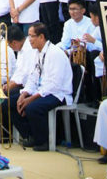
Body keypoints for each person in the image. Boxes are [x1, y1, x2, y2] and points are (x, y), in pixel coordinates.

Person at [11, 22, 72, 151]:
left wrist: (31, 98)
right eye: (28, 36)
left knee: (33, 107)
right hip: (42, 90)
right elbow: (33, 77)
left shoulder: (55, 53)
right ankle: (30, 135)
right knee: (10, 103)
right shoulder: (37, 53)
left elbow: (54, 84)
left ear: (41, 37)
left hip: (58, 93)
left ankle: (43, 141)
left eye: (32, 36)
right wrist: (24, 94)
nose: (29, 40)